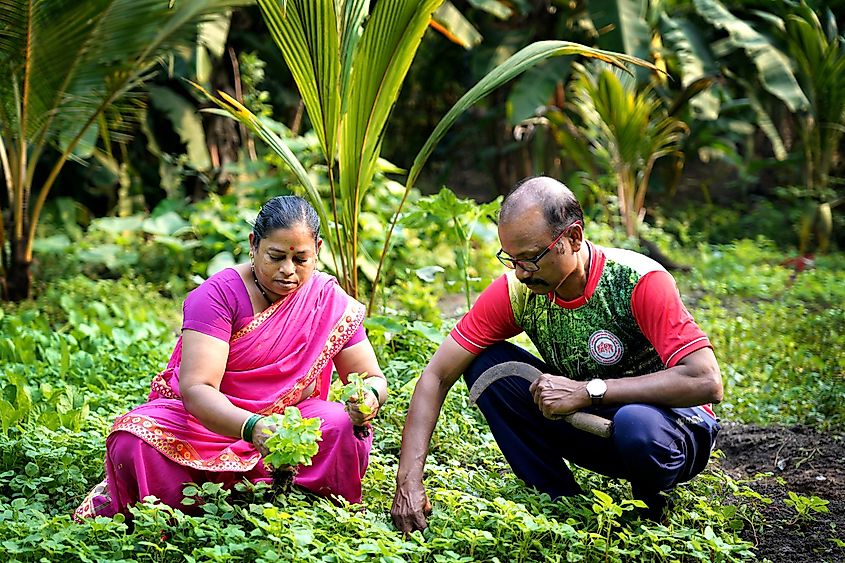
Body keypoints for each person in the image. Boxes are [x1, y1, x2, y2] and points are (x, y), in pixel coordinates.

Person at [391, 176, 722, 532]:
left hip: (670, 429)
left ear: (573, 238)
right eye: (511, 259)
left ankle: (651, 504)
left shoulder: (637, 281)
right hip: (591, 422)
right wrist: (408, 481)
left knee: (634, 424)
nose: (520, 272)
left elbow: (706, 381)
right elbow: (436, 375)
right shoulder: (517, 290)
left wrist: (587, 392)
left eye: (531, 258)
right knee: (486, 365)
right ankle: (556, 499)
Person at [75, 195, 387, 520]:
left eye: (301, 260)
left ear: (317, 251)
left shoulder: (326, 299)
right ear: (253, 245)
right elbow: (197, 389)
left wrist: (369, 398)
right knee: (132, 440)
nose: (287, 271)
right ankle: (180, 511)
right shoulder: (218, 296)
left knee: (342, 425)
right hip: (209, 424)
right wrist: (252, 427)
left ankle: (300, 504)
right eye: (276, 256)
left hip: (287, 426)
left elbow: (373, 378)